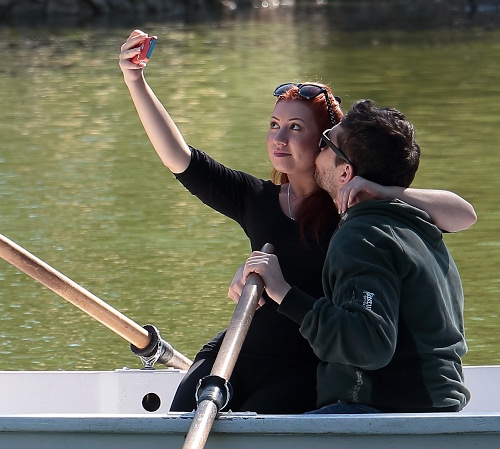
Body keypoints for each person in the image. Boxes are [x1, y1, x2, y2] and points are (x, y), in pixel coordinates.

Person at [119, 30, 476, 413]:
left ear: (325, 143)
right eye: (274, 124)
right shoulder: (255, 197)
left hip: (303, 367)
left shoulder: (352, 211)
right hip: (239, 348)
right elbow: (180, 158)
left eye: (295, 128)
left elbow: (463, 214)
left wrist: (381, 190)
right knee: (177, 420)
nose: (279, 138)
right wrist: (135, 80)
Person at [242, 100, 470, 413]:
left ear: (345, 172)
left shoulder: (362, 236)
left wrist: (283, 292)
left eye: (325, 143)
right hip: (436, 405)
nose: (317, 152)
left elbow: (369, 345)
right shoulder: (417, 224)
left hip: (384, 411)